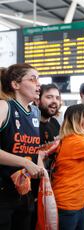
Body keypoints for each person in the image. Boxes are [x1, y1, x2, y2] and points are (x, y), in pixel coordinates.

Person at [0, 63, 45, 230]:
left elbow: (33, 148)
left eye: (38, 79)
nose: (38, 83)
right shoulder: (4, 106)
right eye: (33, 79)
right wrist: (25, 162)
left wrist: (39, 163)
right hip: (3, 191)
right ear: (15, 84)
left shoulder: (35, 112)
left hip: (24, 191)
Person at [51, 104, 84, 230]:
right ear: (78, 121)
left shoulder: (70, 139)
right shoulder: (78, 142)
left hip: (74, 203)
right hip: (69, 205)